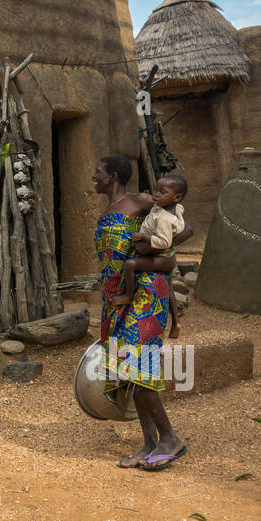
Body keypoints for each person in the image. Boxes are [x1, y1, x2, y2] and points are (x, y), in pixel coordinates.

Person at [91, 154, 192, 470]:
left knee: (137, 364)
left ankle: (170, 439)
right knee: (128, 368)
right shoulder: (108, 211)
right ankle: (150, 443)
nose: (93, 176)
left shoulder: (141, 200)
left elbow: (183, 230)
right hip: (117, 299)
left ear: (113, 176)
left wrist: (160, 255)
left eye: (98, 172)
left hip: (147, 293)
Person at [110, 175, 188, 341]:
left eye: (162, 192)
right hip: (167, 257)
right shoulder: (170, 209)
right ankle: (176, 322)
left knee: (130, 265)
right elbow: (180, 213)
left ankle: (128, 295)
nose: (156, 194)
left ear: (176, 197)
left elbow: (164, 242)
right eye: (156, 190)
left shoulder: (165, 218)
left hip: (161, 255)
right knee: (170, 288)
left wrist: (143, 237)